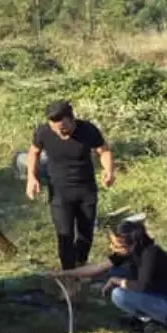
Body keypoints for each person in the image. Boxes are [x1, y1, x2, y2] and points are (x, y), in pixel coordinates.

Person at [48, 219, 167, 333]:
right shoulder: (129, 251)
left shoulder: (150, 254)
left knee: (118, 294)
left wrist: (118, 281)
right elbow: (97, 268)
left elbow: (142, 285)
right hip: (155, 292)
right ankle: (147, 316)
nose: (111, 248)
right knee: (112, 273)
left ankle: (164, 319)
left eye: (116, 245)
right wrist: (64, 273)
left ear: (131, 245)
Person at [26, 100, 114, 271]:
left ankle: (80, 266)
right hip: (59, 192)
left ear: (72, 119)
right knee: (64, 235)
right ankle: (68, 274)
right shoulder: (43, 132)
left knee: (85, 233)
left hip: (86, 190)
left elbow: (104, 150)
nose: (60, 132)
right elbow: (33, 152)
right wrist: (31, 177)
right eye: (55, 128)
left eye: (64, 128)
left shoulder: (87, 130)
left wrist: (109, 170)